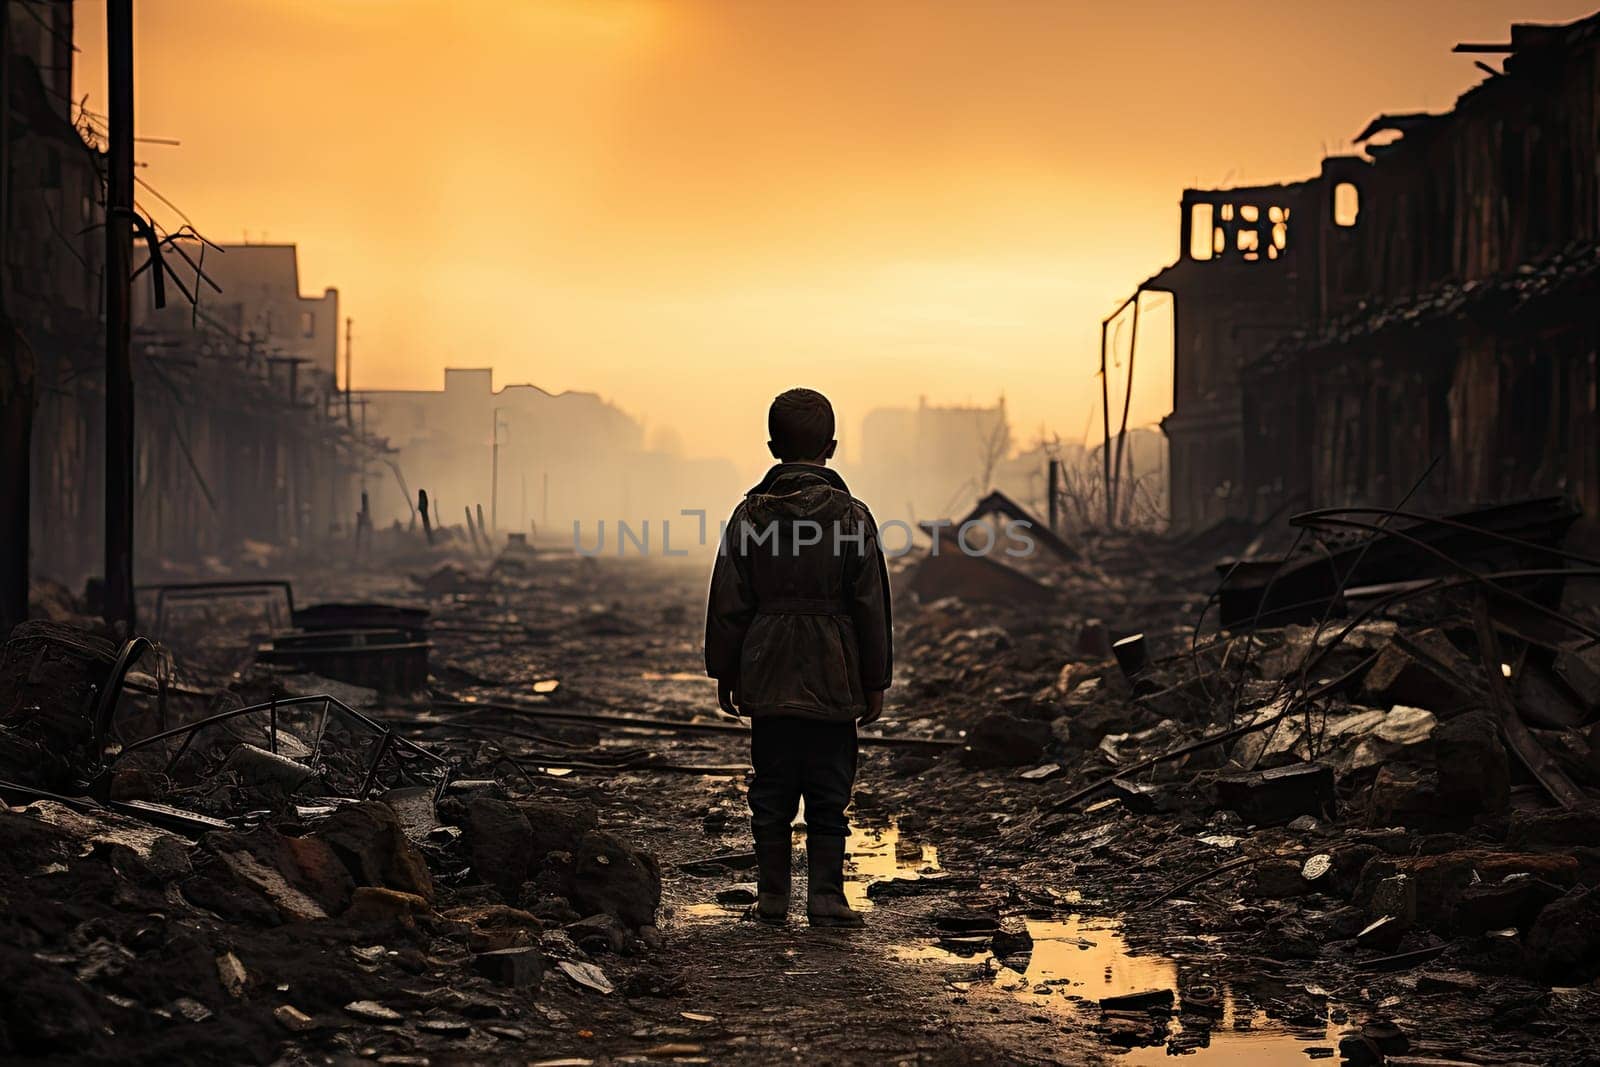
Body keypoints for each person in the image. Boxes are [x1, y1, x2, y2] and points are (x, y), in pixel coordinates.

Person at [704, 388, 893, 927]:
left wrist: (726, 669)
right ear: (831, 448)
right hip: (835, 671)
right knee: (831, 787)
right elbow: (871, 605)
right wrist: (874, 679)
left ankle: (772, 897)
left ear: (771, 447)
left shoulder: (749, 516)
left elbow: (728, 601)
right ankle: (827, 897)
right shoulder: (854, 517)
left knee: (771, 783)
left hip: (766, 668)